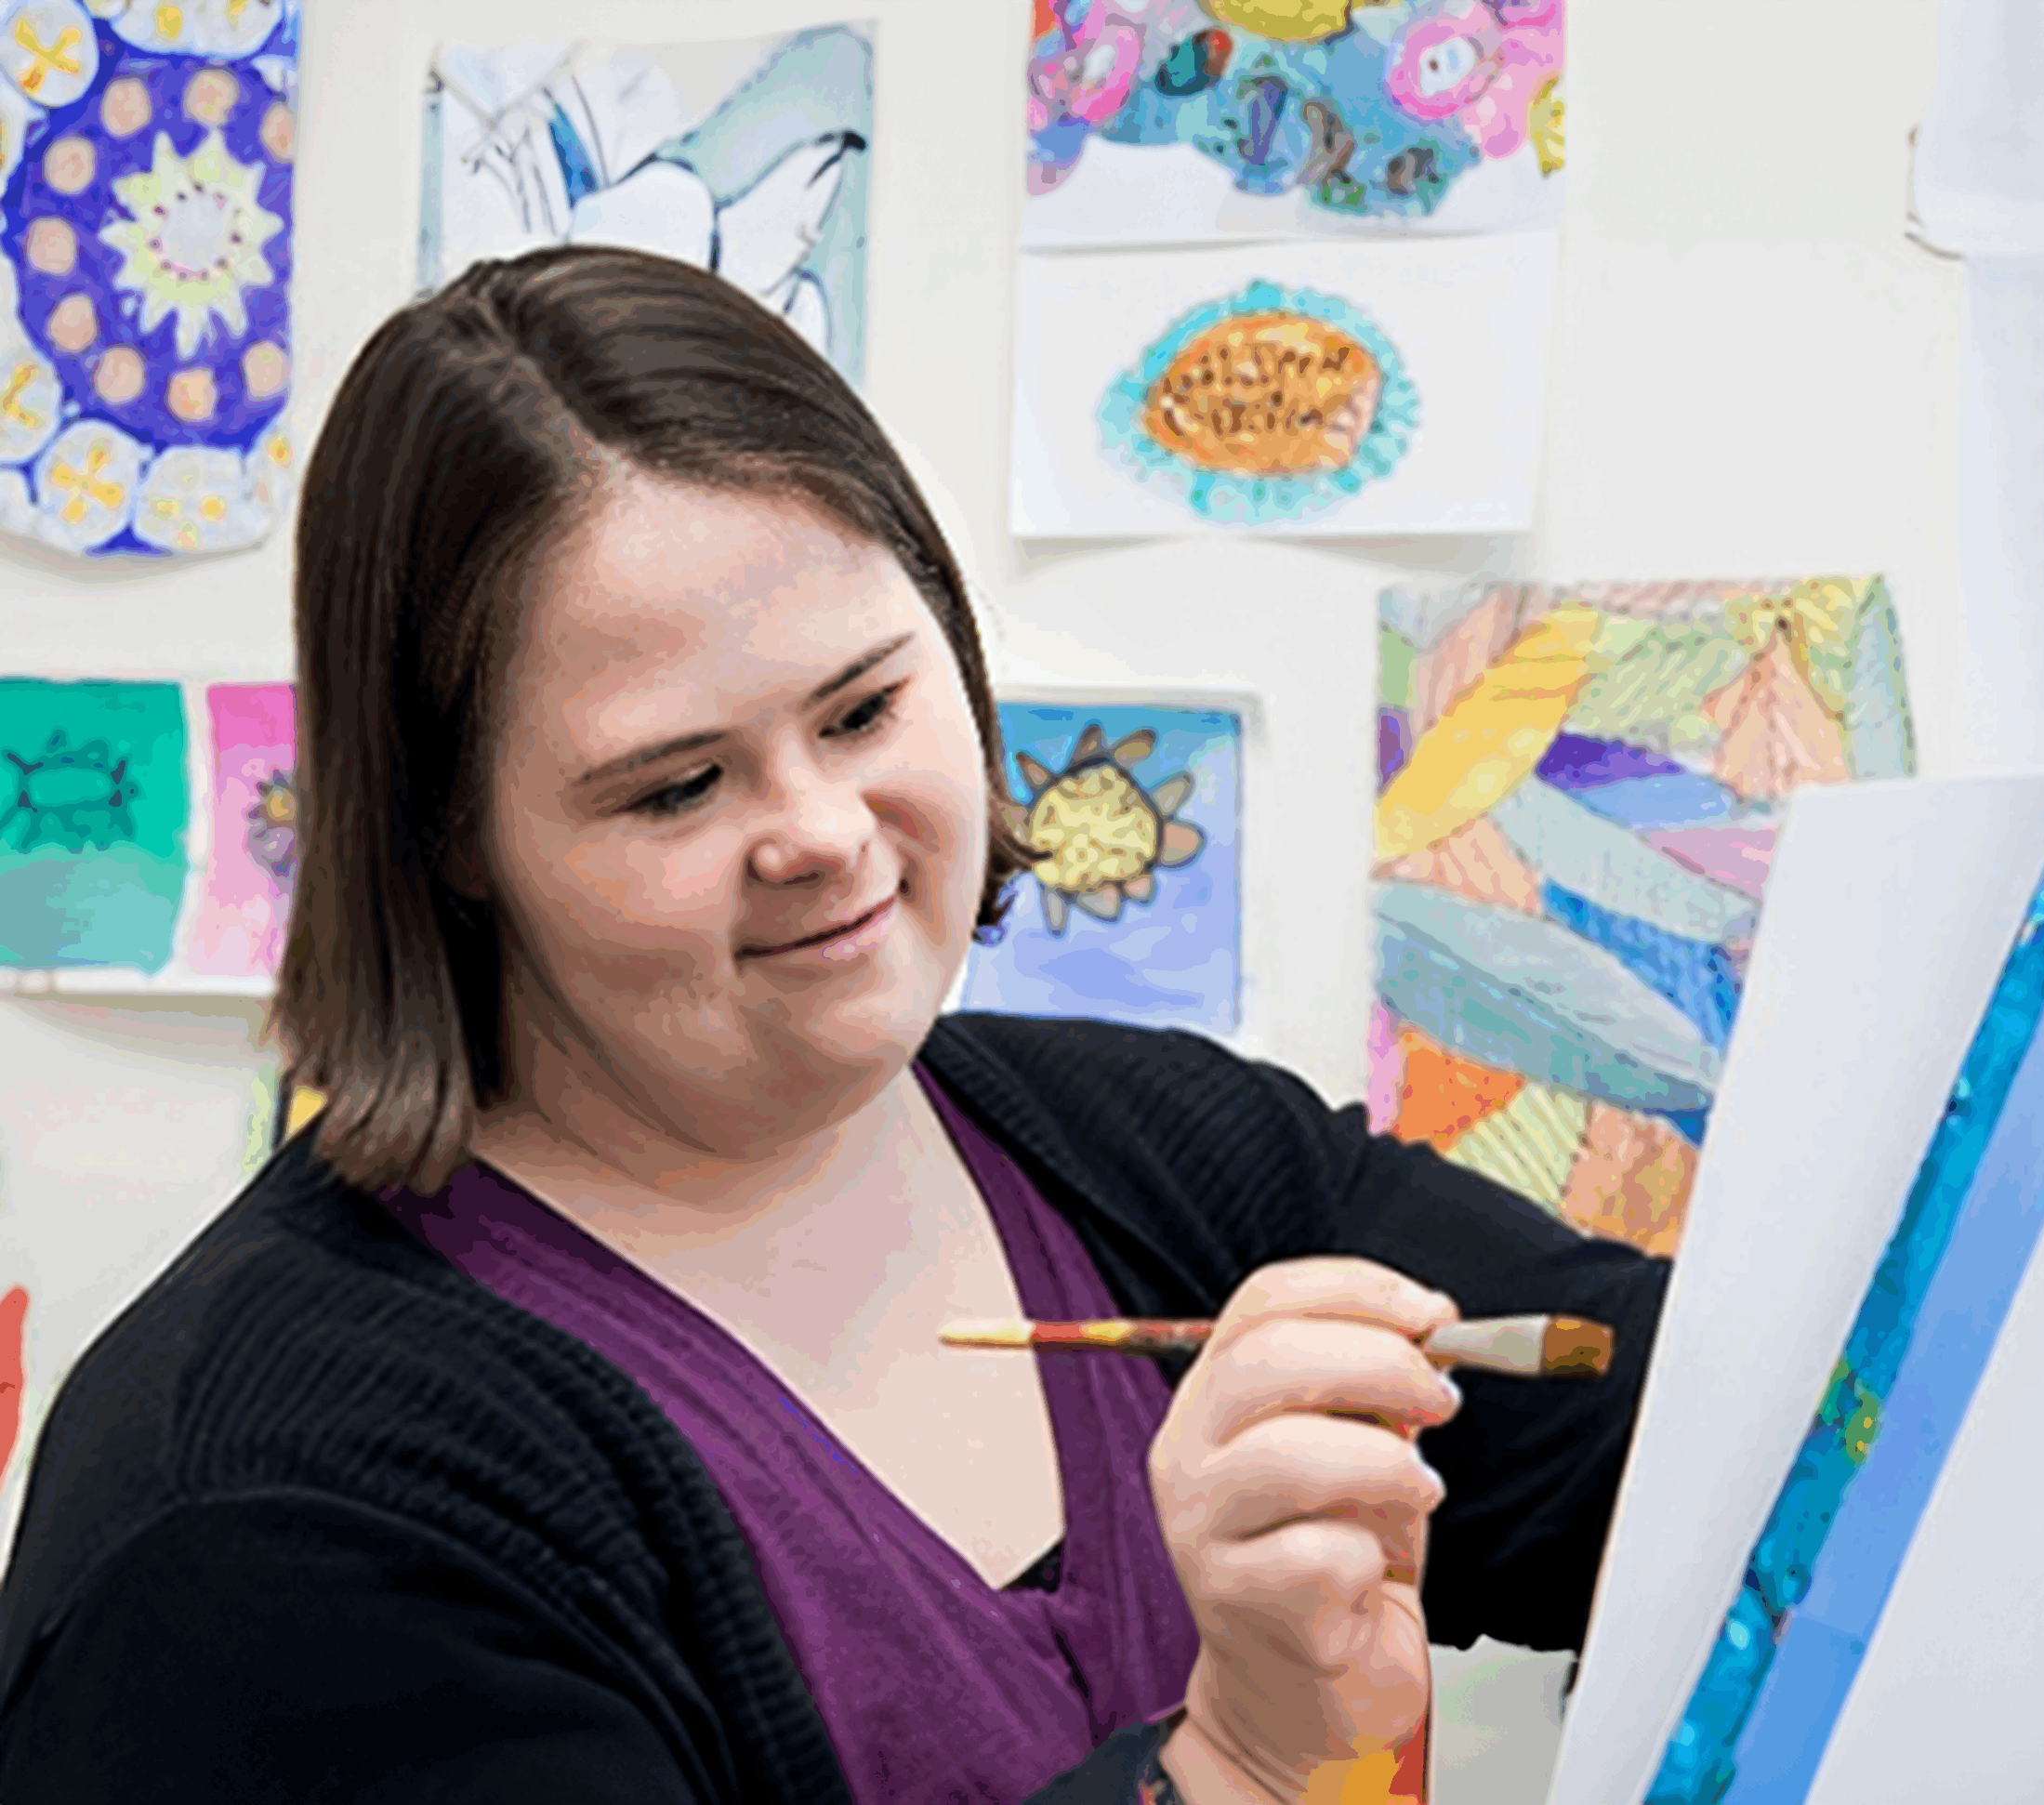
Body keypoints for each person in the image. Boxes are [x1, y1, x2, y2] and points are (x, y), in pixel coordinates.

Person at [0, 247, 1668, 1805]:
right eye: (676, 784)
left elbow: (1730, 1443)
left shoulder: (1173, 1160)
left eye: (866, 705)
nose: (825, 830)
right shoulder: (274, 1514)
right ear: (452, 835)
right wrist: (1231, 1757)